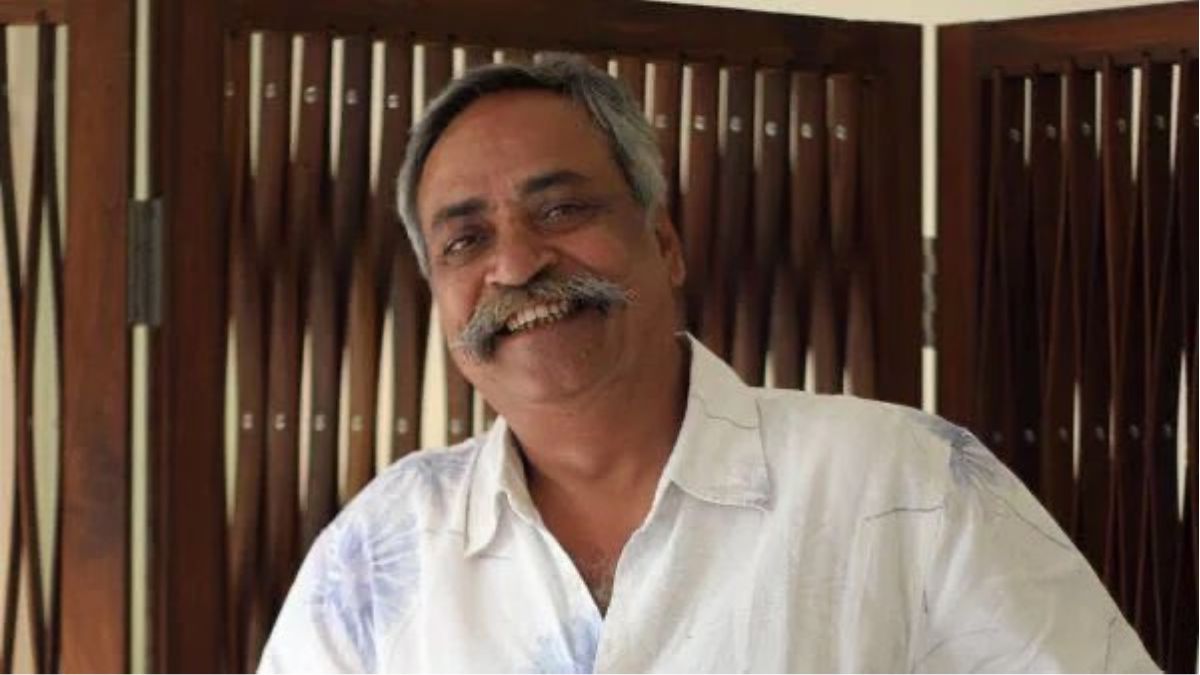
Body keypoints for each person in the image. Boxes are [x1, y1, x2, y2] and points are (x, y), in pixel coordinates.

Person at [259, 55, 1156, 673]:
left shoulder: (906, 483)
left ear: (664, 242)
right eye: (465, 240)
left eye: (562, 210)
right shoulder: (381, 549)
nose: (518, 263)